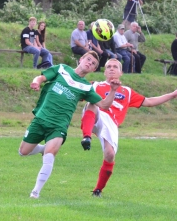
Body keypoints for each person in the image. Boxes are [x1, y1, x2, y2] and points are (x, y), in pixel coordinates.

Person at [18, 51, 121, 199]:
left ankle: (35, 192)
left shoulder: (86, 87)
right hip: (41, 119)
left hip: (59, 126)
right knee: (23, 151)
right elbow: (41, 77)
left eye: (93, 64)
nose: (89, 63)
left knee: (50, 155)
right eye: (88, 60)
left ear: (93, 70)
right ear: (81, 59)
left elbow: (104, 105)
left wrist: (112, 91)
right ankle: (42, 149)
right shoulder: (61, 69)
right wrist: (37, 82)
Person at [80, 58, 177, 197]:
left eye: (115, 67)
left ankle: (97, 190)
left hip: (111, 123)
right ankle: (86, 137)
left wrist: (172, 95)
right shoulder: (95, 86)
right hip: (96, 115)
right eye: (109, 67)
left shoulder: (127, 92)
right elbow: (76, 92)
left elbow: (149, 101)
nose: (112, 69)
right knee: (93, 104)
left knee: (110, 155)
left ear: (121, 72)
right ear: (105, 71)